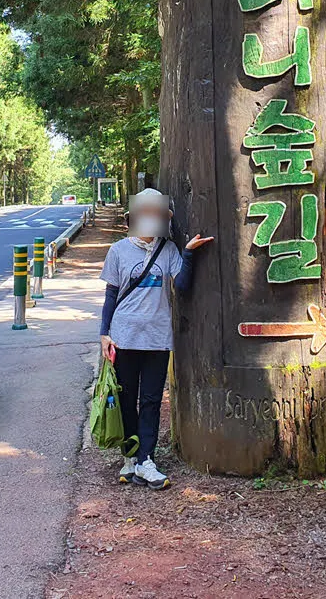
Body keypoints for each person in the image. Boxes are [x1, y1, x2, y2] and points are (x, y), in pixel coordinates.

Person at [100, 188, 213, 490]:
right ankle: (129, 457)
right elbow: (111, 295)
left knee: (150, 401)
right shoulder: (119, 251)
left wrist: (188, 252)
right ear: (134, 218)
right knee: (125, 400)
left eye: (157, 215)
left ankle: (146, 460)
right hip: (124, 337)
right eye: (146, 214)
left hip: (157, 338)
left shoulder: (169, 250)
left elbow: (184, 286)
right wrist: (104, 334)